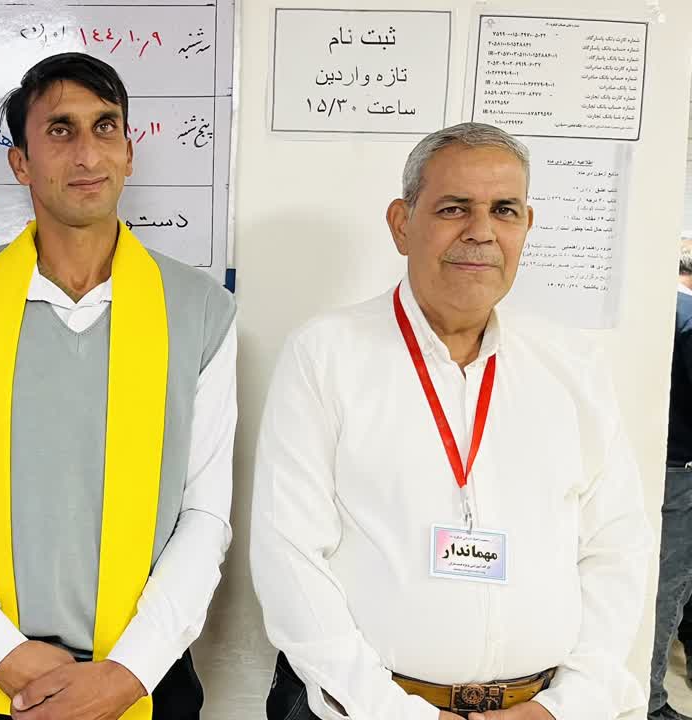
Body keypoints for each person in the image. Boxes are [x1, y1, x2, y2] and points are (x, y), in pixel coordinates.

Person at [251, 122, 650, 720]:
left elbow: (616, 548)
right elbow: (289, 555)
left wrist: (567, 705)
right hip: (363, 710)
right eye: (454, 208)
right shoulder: (326, 355)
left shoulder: (572, 367)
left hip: (539, 709)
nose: (481, 232)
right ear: (401, 223)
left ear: (526, 226)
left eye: (504, 210)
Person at [0, 53, 237, 720]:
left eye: (105, 127)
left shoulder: (199, 309)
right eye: (60, 130)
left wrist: (129, 672)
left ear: (129, 152)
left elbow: (205, 512)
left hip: (144, 676)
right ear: (20, 163)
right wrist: (1, 650)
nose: (87, 154)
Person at [647, 234, 692, 720]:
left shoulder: (662, 309)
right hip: (682, 473)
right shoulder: (690, 318)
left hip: (659, 462)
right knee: (671, 589)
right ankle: (653, 702)